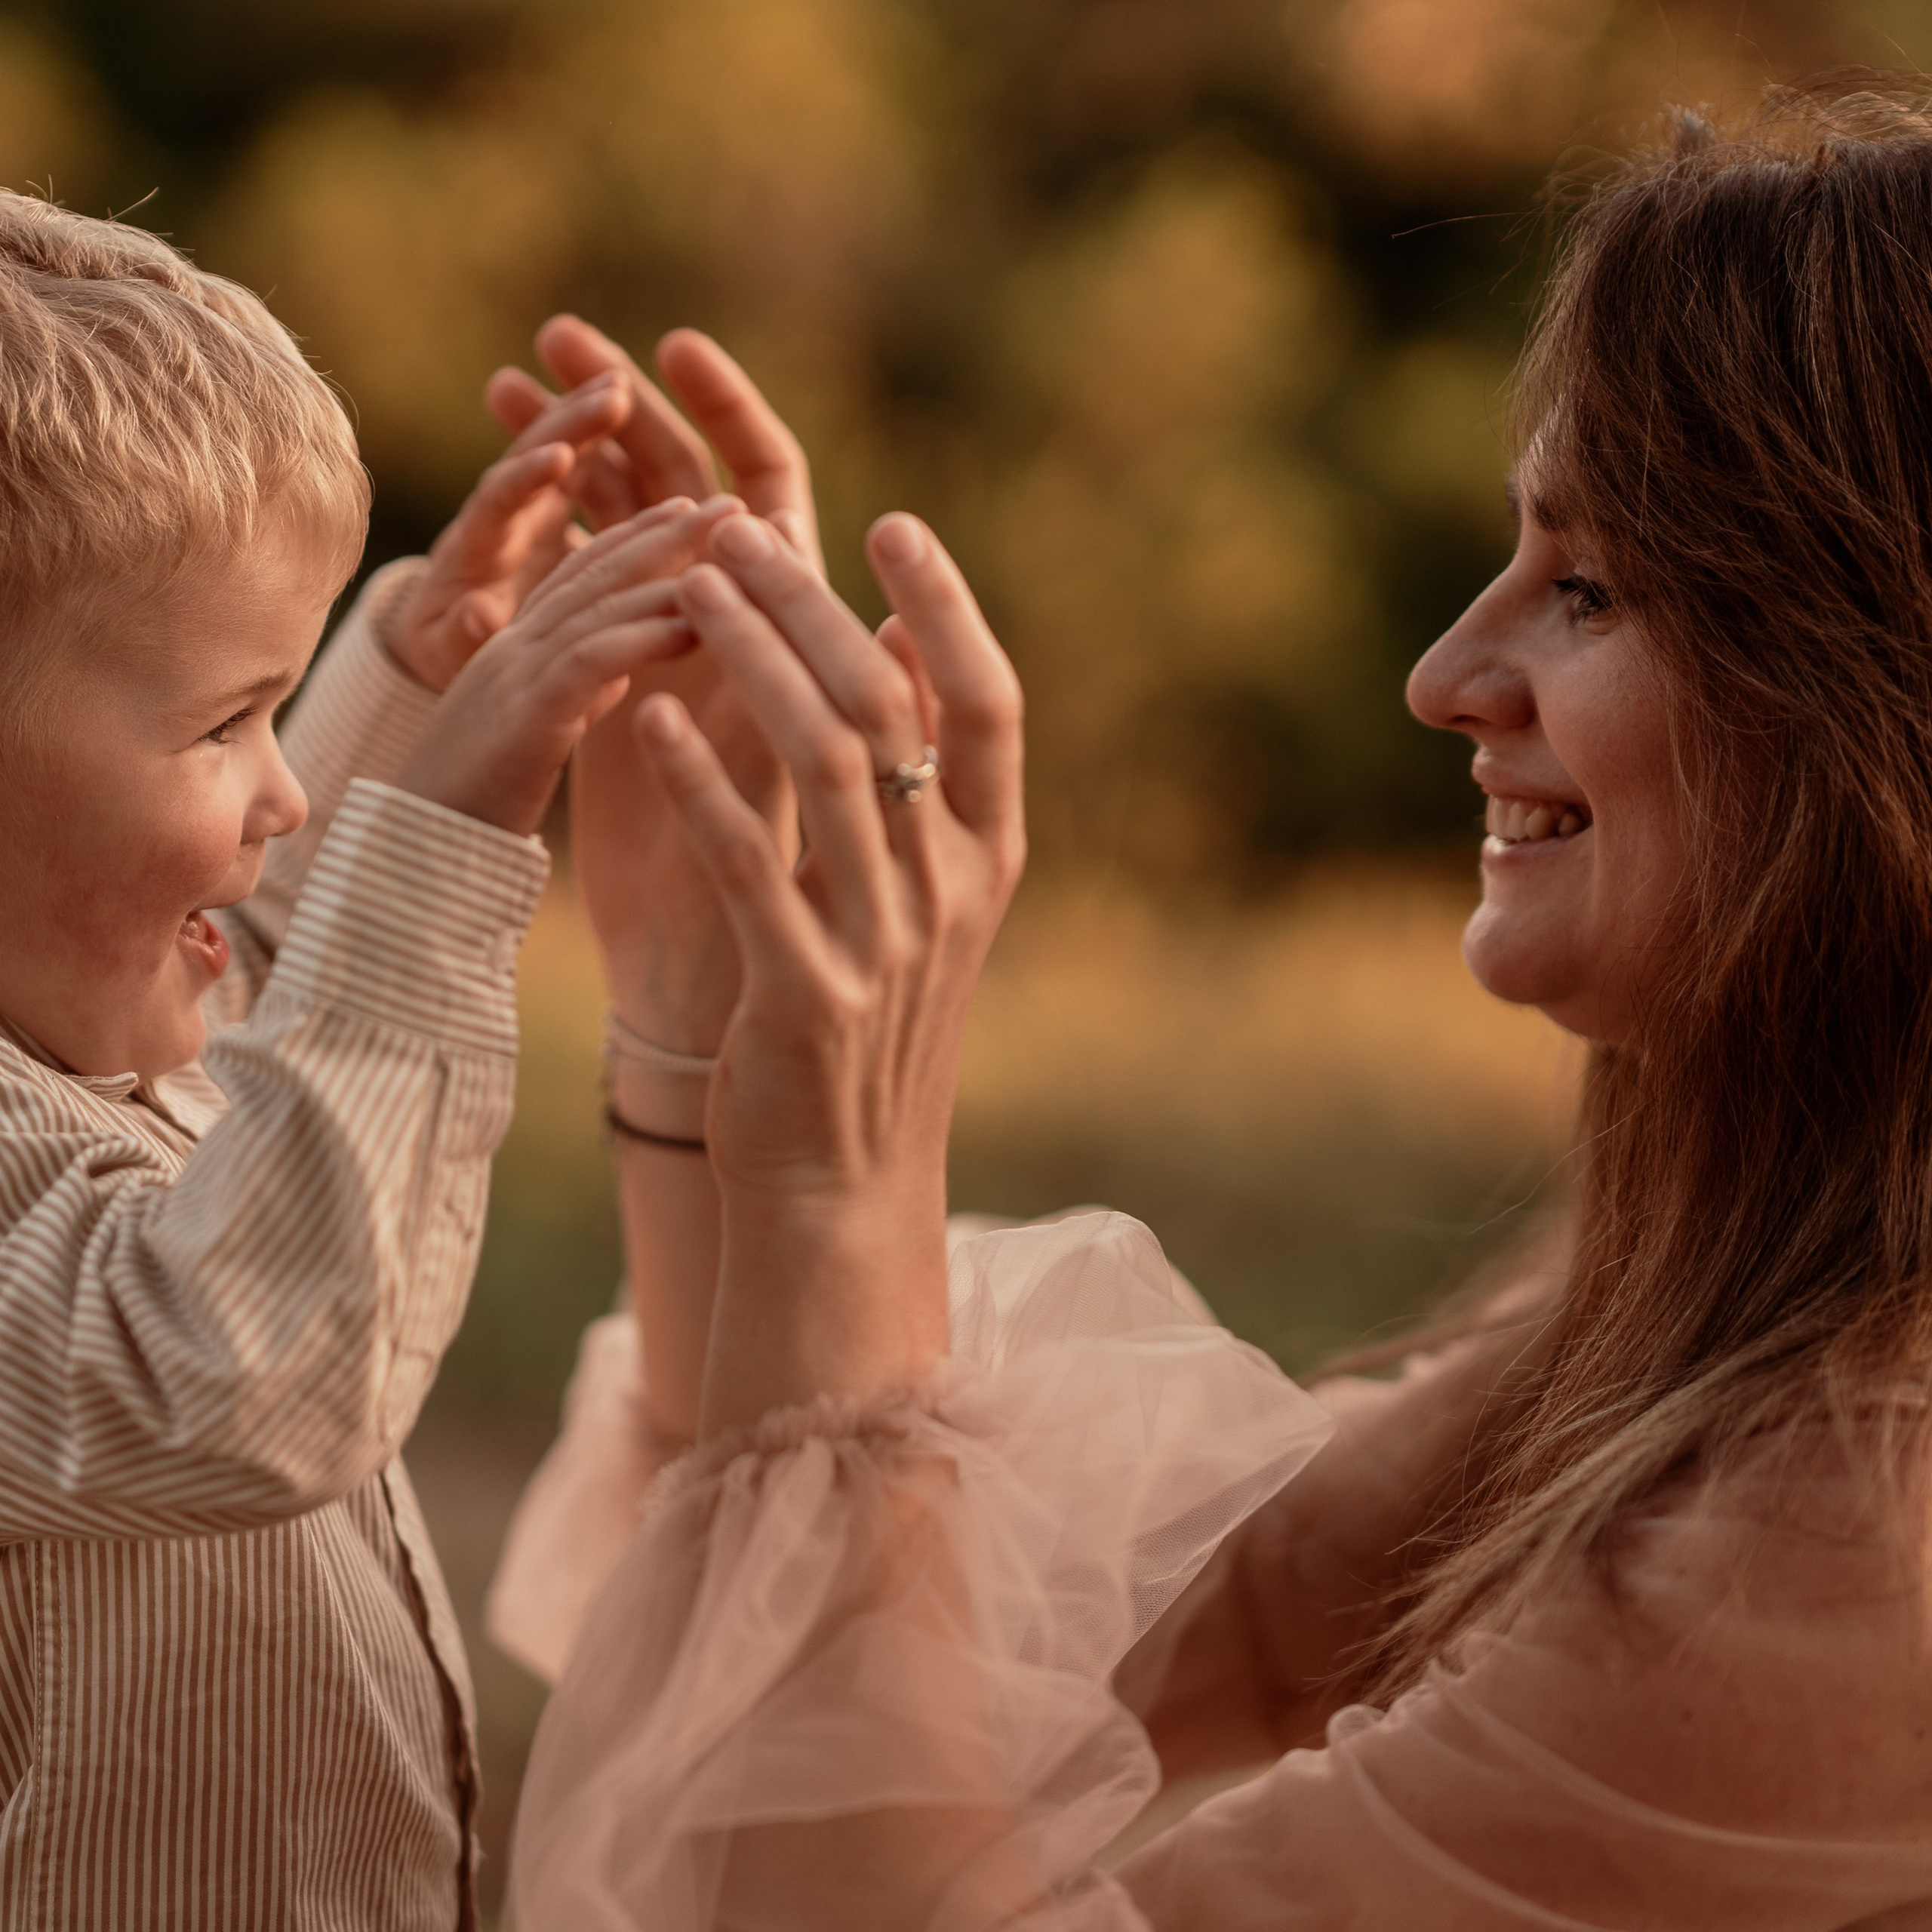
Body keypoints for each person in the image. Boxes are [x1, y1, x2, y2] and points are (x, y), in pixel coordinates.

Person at [490, 84, 1932, 1930]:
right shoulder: (1733, 1304)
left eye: (1585, 586)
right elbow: (823, 1654)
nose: (1441, 674)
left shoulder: (1864, 1515)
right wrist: (708, 1021)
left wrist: (844, 1187)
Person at [0, 192, 798, 1929]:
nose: (285, 791)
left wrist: (428, 670)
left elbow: (259, 986)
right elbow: (231, 1358)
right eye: (229, 721)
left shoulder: (75, 1021)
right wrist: (450, 829)